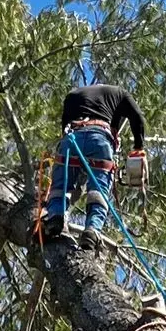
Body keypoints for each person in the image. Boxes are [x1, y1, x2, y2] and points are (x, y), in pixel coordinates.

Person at [40, 74, 147, 244]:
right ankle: (92, 230)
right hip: (100, 141)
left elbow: (64, 126)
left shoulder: (73, 94)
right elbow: (138, 118)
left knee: (61, 186)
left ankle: (55, 217)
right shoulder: (119, 93)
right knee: (98, 189)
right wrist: (138, 148)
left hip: (71, 138)